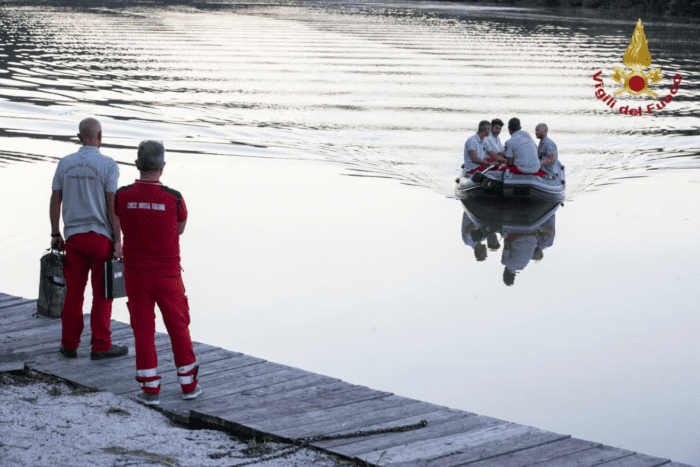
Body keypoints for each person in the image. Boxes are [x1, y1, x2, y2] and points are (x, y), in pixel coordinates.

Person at [115, 140, 201, 406]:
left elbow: (119, 222)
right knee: (178, 327)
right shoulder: (174, 197)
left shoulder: (122, 195)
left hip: (136, 275)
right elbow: (180, 228)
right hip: (167, 275)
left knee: (142, 329)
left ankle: (150, 389)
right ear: (162, 167)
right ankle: (189, 386)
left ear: (137, 164)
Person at [50, 118, 128, 360]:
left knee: (74, 294)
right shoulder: (108, 164)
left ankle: (69, 345)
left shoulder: (65, 163)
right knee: (103, 294)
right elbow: (111, 204)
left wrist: (55, 232)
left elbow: (55, 200)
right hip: (100, 240)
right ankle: (101, 345)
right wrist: (118, 239)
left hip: (73, 238)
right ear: (100, 136)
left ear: (78, 137)